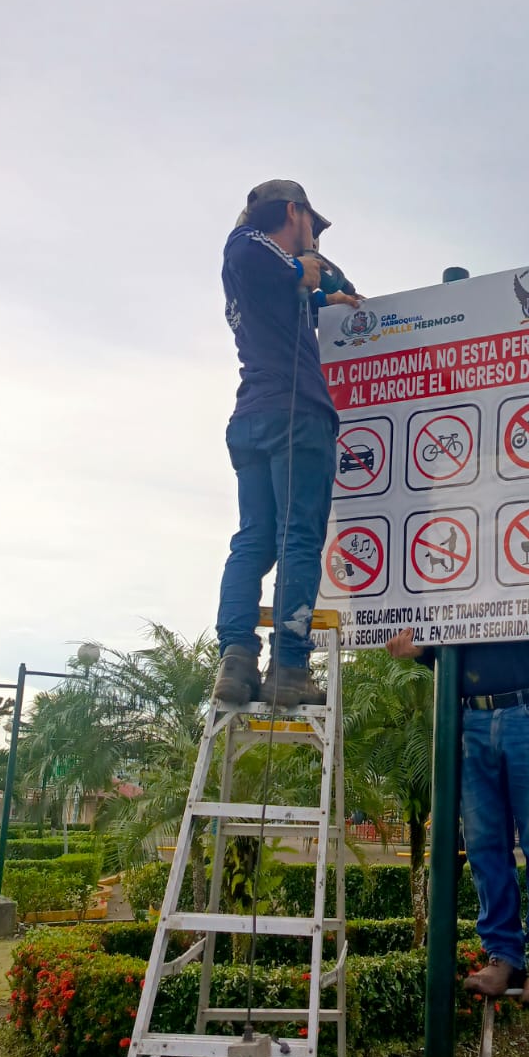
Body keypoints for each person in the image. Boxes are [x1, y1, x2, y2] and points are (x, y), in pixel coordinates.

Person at [386, 543, 529, 1006]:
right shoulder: (458, 551)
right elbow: (444, 641)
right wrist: (418, 649)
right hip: (470, 715)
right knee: (484, 843)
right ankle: (502, 954)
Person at [212, 180, 361, 709]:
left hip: (253, 419)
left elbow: (297, 296)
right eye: (311, 227)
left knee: (254, 539)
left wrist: (326, 297)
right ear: (293, 212)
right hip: (295, 417)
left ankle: (236, 659)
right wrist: (305, 267)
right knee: (296, 537)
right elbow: (253, 250)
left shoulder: (268, 282)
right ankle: (290, 666)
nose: (314, 239)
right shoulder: (248, 246)